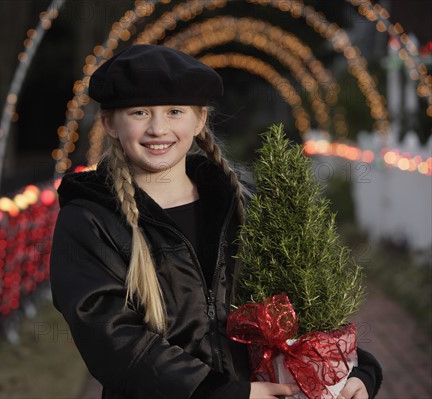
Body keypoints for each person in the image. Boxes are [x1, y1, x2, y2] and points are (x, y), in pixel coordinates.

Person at [50, 44, 381, 399]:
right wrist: (225, 393)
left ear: (199, 120)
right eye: (139, 112)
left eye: (175, 111)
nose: (158, 128)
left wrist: (356, 370)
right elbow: (113, 342)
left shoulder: (240, 205)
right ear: (109, 124)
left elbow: (294, 304)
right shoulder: (90, 220)